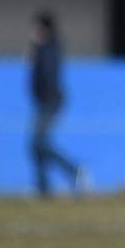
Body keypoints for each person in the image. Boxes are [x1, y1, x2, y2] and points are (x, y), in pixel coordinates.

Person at [28, 12, 86, 197]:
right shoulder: (44, 49)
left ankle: (75, 170)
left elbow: (47, 75)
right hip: (43, 101)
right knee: (36, 146)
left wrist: (36, 52)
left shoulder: (48, 48)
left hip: (50, 101)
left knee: (39, 143)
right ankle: (43, 188)